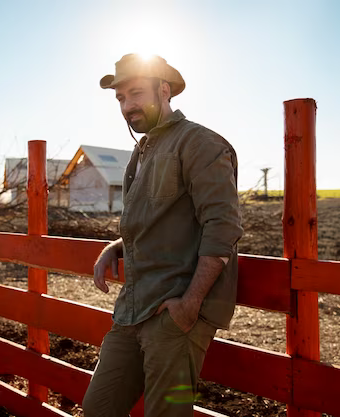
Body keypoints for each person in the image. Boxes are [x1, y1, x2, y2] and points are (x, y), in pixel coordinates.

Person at [82, 53, 243, 417]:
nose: (127, 105)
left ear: (164, 90)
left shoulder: (200, 143)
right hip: (132, 309)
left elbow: (223, 226)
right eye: (121, 98)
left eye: (136, 93)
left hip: (175, 313)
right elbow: (159, 220)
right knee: (97, 408)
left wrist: (189, 306)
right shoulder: (141, 152)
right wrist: (117, 246)